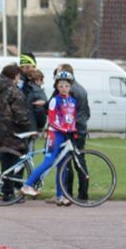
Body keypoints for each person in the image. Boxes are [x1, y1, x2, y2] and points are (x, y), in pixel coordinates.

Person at [22, 71, 78, 205]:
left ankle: (60, 195)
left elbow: (72, 119)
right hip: (55, 134)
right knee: (49, 161)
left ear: (70, 86)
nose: (64, 88)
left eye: (66, 85)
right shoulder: (55, 100)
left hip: (66, 135)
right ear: (57, 87)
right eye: (61, 86)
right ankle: (27, 185)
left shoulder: (72, 101)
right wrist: (64, 129)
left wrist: (75, 130)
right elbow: (52, 120)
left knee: (63, 166)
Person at [0, 64, 34, 202]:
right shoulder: (14, 91)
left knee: (5, 162)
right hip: (12, 131)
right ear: (15, 76)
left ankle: (7, 192)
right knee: (18, 161)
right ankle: (14, 190)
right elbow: (20, 114)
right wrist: (29, 128)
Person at [51, 63, 90, 201]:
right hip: (81, 129)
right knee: (79, 161)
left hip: (71, 130)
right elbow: (87, 112)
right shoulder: (82, 90)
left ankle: (66, 192)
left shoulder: (67, 90)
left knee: (66, 162)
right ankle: (83, 193)